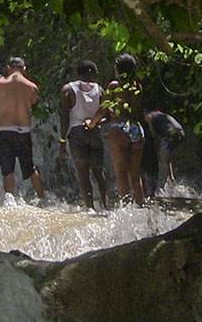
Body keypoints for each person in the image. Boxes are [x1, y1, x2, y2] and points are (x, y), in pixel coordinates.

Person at [85, 53, 145, 205]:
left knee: (121, 174)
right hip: (136, 129)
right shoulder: (137, 86)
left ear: (118, 69)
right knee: (135, 176)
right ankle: (140, 207)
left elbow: (103, 109)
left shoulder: (114, 86)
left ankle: (125, 211)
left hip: (119, 129)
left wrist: (91, 124)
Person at [0, 57, 45, 198]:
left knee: (8, 170)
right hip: (24, 131)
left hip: (6, 131)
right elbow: (34, 102)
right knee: (30, 168)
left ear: (8, 68)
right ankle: (42, 196)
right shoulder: (32, 87)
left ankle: (9, 200)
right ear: (24, 69)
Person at [59, 60, 108, 209]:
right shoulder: (100, 90)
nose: (97, 74)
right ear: (90, 72)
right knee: (99, 172)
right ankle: (106, 206)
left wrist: (62, 140)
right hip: (95, 131)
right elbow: (108, 115)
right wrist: (95, 122)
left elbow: (65, 116)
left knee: (83, 174)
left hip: (76, 133)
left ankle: (90, 208)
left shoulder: (68, 89)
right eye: (96, 71)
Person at [144, 109, 185, 192]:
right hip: (180, 133)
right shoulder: (161, 115)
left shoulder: (149, 115)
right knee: (167, 160)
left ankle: (169, 187)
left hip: (170, 134)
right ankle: (171, 181)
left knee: (163, 162)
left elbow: (153, 134)